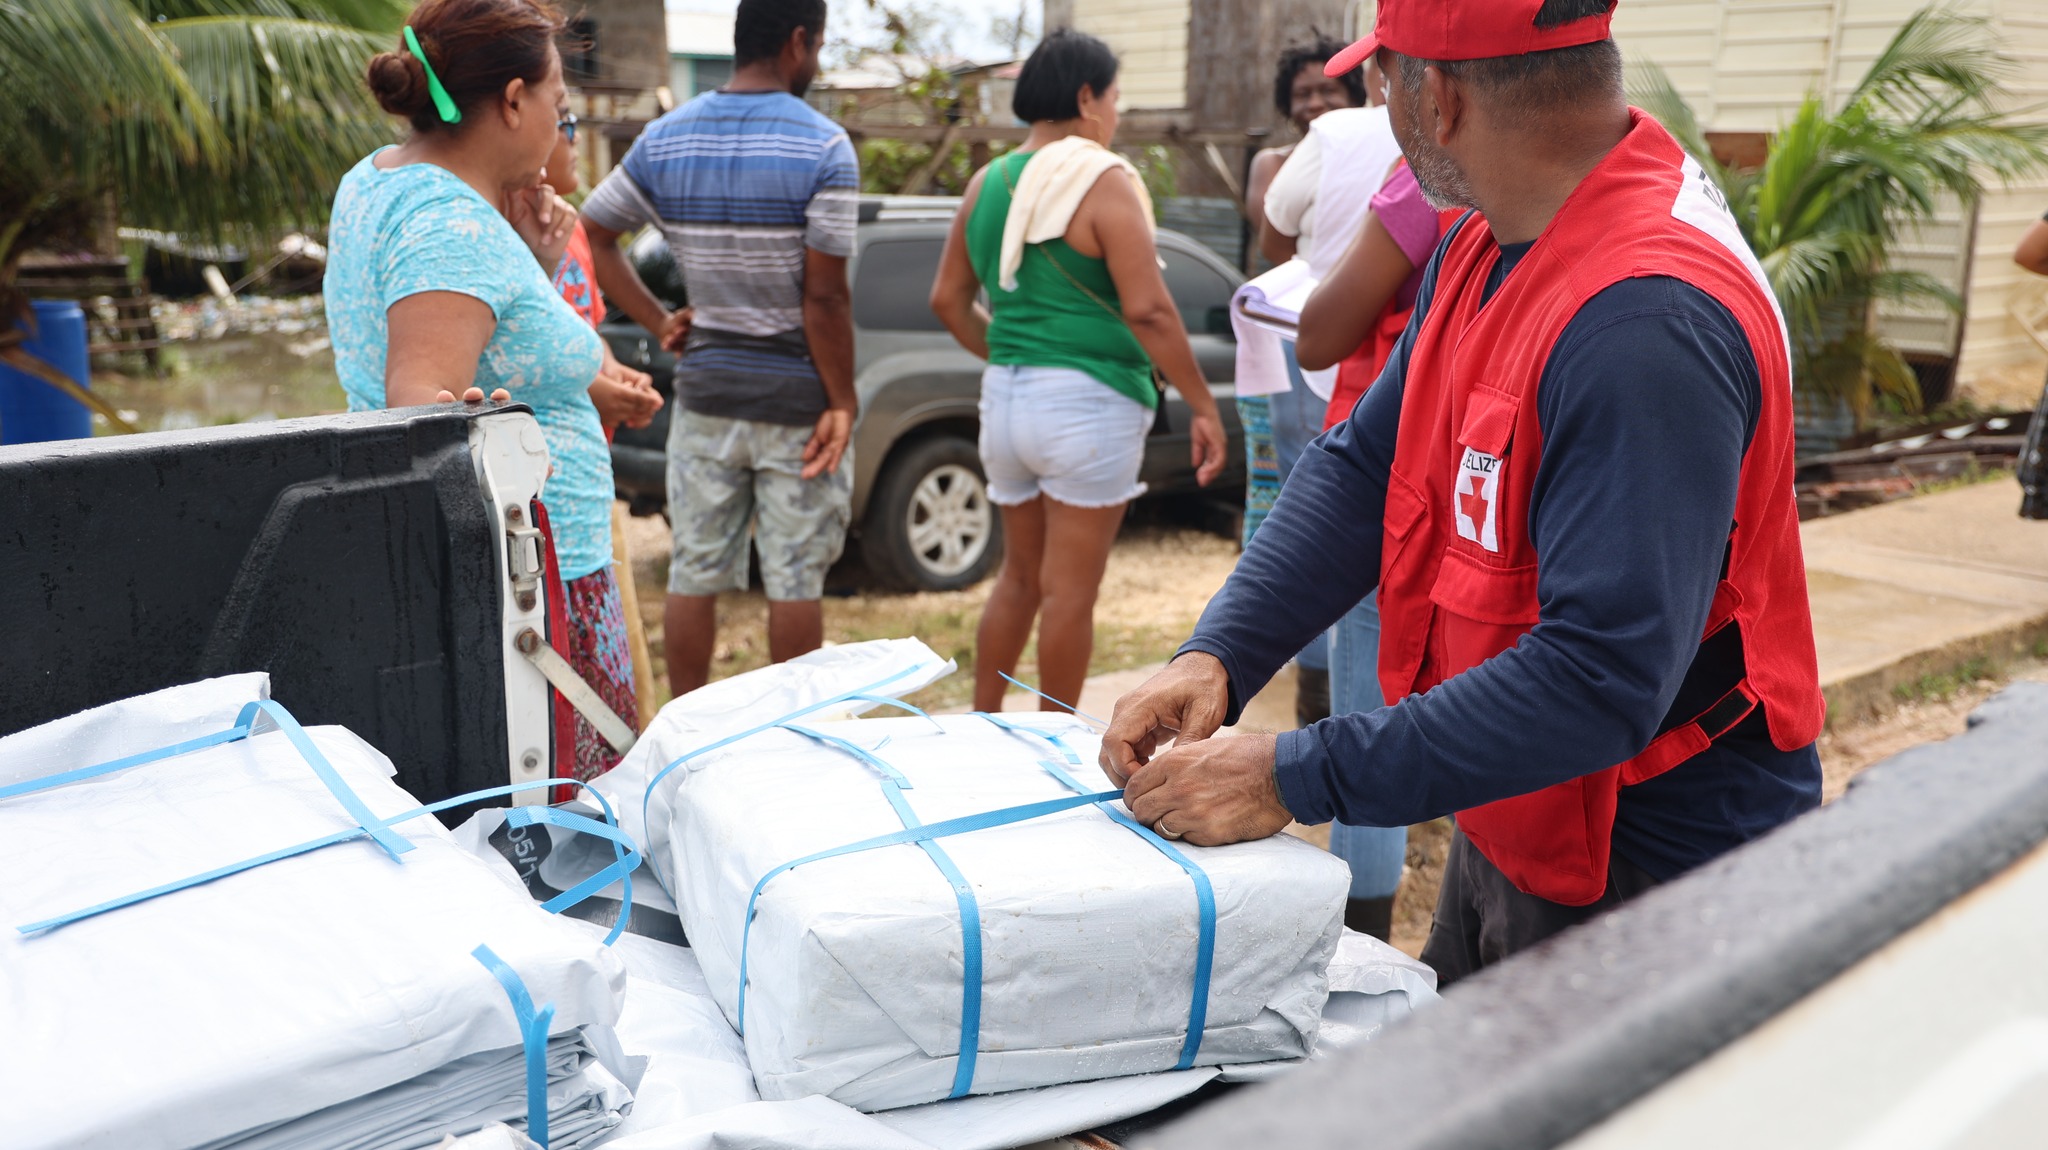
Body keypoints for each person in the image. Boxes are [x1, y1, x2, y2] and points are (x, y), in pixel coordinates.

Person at [1101, 0, 1825, 986]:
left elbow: (1598, 675)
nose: (1375, 99)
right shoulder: (1485, 240)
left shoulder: (1644, 326)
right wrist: (1219, 651)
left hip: (1651, 863)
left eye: (1380, 78)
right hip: (1511, 795)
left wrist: (1291, 772)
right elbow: (1363, 467)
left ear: (1434, 98)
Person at [327, 0, 646, 779]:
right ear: (512, 101)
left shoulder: (380, 180)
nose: (557, 127)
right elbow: (423, 408)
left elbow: (480, 346)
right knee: (576, 825)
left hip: (524, 574)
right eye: (558, 108)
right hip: (535, 588)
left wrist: (530, 266)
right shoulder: (449, 220)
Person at [928, 28, 1228, 715]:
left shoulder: (986, 182)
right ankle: (1054, 749)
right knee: (1070, 592)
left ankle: (984, 728)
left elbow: (947, 299)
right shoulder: (1103, 178)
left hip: (1004, 400)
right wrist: (1202, 405)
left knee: (1018, 580)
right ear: (1088, 98)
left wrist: (1013, 355)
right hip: (1089, 408)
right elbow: (1149, 310)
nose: (1117, 117)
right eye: (1116, 99)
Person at [582, 0, 858, 698]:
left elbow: (594, 232)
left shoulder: (666, 138)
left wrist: (658, 319)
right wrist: (843, 400)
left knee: (694, 572)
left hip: (705, 394)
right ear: (799, 42)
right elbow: (824, 298)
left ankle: (686, 734)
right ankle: (794, 739)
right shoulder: (824, 146)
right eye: (819, 44)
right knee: (795, 577)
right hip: (796, 400)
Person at [1271, 157, 1459, 940]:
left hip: (1396, 474)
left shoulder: (1428, 180)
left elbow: (1319, 333)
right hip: (1460, 473)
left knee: (1369, 709)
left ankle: (1358, 946)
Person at [1237, 38, 1378, 728]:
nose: (1316, 103)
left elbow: (1279, 238)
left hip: (1318, 332)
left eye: (1328, 91)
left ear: (1359, 93)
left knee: (1331, 504)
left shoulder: (1338, 144)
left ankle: (1331, 696)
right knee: (1314, 500)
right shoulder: (1279, 158)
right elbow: (1270, 236)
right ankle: (1317, 687)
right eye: (1304, 94)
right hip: (1309, 340)